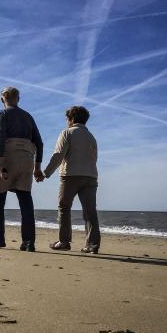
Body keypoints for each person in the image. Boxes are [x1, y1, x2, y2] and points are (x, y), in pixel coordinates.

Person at [0, 86, 44, 252]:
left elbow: (0, 137)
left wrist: (1, 163)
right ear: (19, 98)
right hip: (27, 158)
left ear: (2, 99)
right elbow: (39, 143)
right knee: (25, 200)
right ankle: (28, 242)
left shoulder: (2, 114)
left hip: (7, 154)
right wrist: (37, 167)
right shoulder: (28, 116)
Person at [40, 105, 100, 254]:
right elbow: (94, 158)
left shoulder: (67, 133)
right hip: (90, 176)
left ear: (71, 119)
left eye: (67, 118)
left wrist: (45, 173)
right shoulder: (92, 137)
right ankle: (92, 244)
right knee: (90, 211)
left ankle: (64, 241)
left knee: (64, 207)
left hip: (70, 175)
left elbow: (58, 155)